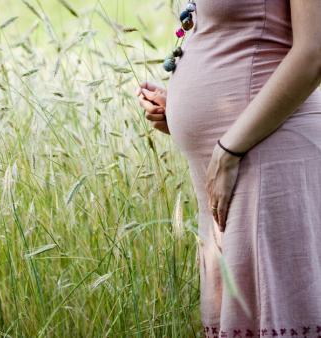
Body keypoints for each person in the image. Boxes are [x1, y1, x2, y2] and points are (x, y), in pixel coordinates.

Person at [137, 1, 321, 336]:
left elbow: (314, 53)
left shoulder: (235, 152)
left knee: (276, 312)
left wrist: (229, 148)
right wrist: (178, 111)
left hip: (267, 156)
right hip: (230, 162)